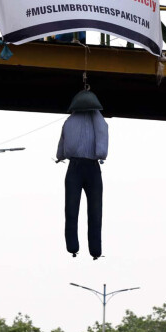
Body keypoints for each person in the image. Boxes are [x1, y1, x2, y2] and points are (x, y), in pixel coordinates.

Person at [56, 89, 108, 259]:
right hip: (91, 167)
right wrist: (101, 153)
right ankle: (94, 250)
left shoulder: (69, 121)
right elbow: (103, 132)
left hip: (75, 167)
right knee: (94, 211)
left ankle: (74, 247)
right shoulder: (97, 119)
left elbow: (62, 144)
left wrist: (60, 156)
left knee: (72, 209)